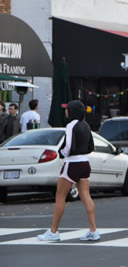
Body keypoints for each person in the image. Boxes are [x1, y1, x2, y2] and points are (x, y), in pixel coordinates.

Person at [37, 100, 99, 242]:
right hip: (85, 163)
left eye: (67, 109)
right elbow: (91, 146)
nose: (65, 111)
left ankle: (53, 232)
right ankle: (93, 230)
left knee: (60, 196)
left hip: (72, 163)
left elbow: (69, 145)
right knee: (86, 196)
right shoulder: (86, 125)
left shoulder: (71, 125)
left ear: (72, 111)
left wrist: (63, 153)